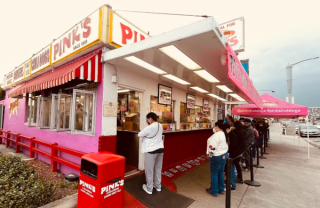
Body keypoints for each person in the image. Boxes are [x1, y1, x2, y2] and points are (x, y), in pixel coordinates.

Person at [138, 112, 164, 195]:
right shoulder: (160, 125)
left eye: (147, 119)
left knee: (149, 170)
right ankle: (158, 186)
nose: (147, 121)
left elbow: (140, 134)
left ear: (150, 119)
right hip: (160, 149)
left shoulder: (150, 127)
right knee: (158, 168)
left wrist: (146, 135)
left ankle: (149, 188)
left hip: (151, 151)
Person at [206, 122, 229, 197]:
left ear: (217, 126)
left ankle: (214, 190)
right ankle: (221, 189)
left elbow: (211, 146)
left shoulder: (216, 135)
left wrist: (209, 154)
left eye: (215, 126)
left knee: (214, 173)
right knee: (221, 173)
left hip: (216, 156)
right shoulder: (223, 134)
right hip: (223, 155)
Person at [224, 124, 242, 191]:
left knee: (231, 170)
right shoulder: (230, 134)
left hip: (232, 155)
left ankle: (232, 185)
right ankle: (229, 182)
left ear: (228, 129)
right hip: (231, 154)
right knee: (229, 170)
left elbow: (233, 146)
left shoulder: (232, 135)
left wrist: (227, 148)